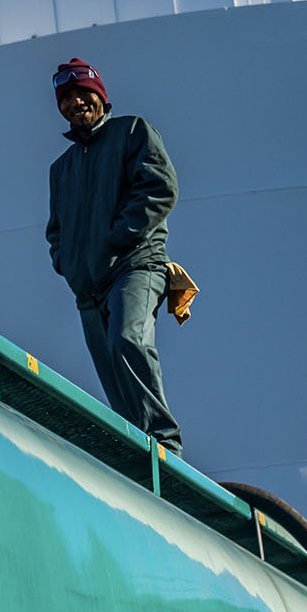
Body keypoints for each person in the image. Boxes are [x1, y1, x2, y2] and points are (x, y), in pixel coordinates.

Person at [44, 58, 183, 453]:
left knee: (128, 340)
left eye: (83, 93)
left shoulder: (132, 131)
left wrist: (117, 239)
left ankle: (164, 443)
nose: (75, 103)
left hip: (135, 265)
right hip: (88, 289)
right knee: (113, 377)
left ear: (101, 96)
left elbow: (160, 187)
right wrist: (67, 262)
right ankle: (141, 455)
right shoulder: (61, 169)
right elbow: (55, 230)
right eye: (66, 98)